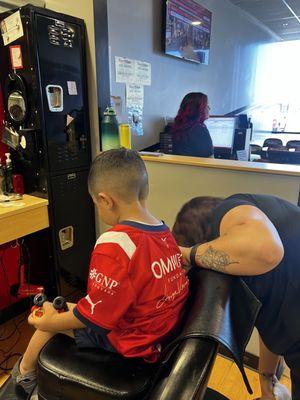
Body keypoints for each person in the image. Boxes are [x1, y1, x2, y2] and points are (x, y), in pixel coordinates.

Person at [7, 149, 189, 396]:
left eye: (95, 203)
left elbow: (93, 320)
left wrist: (50, 321)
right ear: (144, 190)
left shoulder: (114, 245)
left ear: (105, 200)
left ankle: (22, 378)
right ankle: (26, 372)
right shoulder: (164, 233)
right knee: (58, 308)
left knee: (47, 324)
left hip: (134, 342)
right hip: (158, 332)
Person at [173, 194, 300, 399]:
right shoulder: (250, 267)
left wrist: (188, 254)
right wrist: (266, 378)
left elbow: (267, 251)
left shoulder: (229, 210)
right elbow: (267, 316)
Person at [171, 92, 214, 158]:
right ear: (199, 109)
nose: (209, 108)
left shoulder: (178, 127)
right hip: (198, 168)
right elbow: (210, 160)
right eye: (206, 105)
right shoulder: (200, 130)